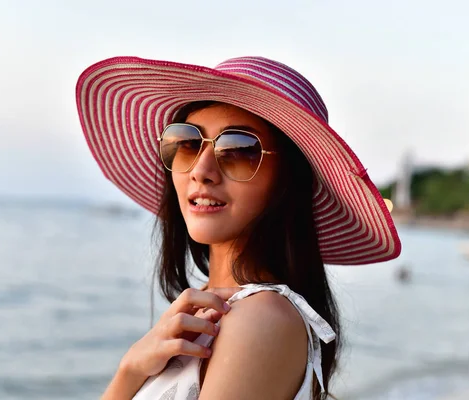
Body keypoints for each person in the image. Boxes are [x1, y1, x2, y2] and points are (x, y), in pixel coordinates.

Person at [75, 56, 402, 400]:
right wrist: (130, 370)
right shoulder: (208, 310)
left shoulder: (261, 319)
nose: (201, 170)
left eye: (239, 150)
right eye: (187, 143)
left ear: (286, 181)